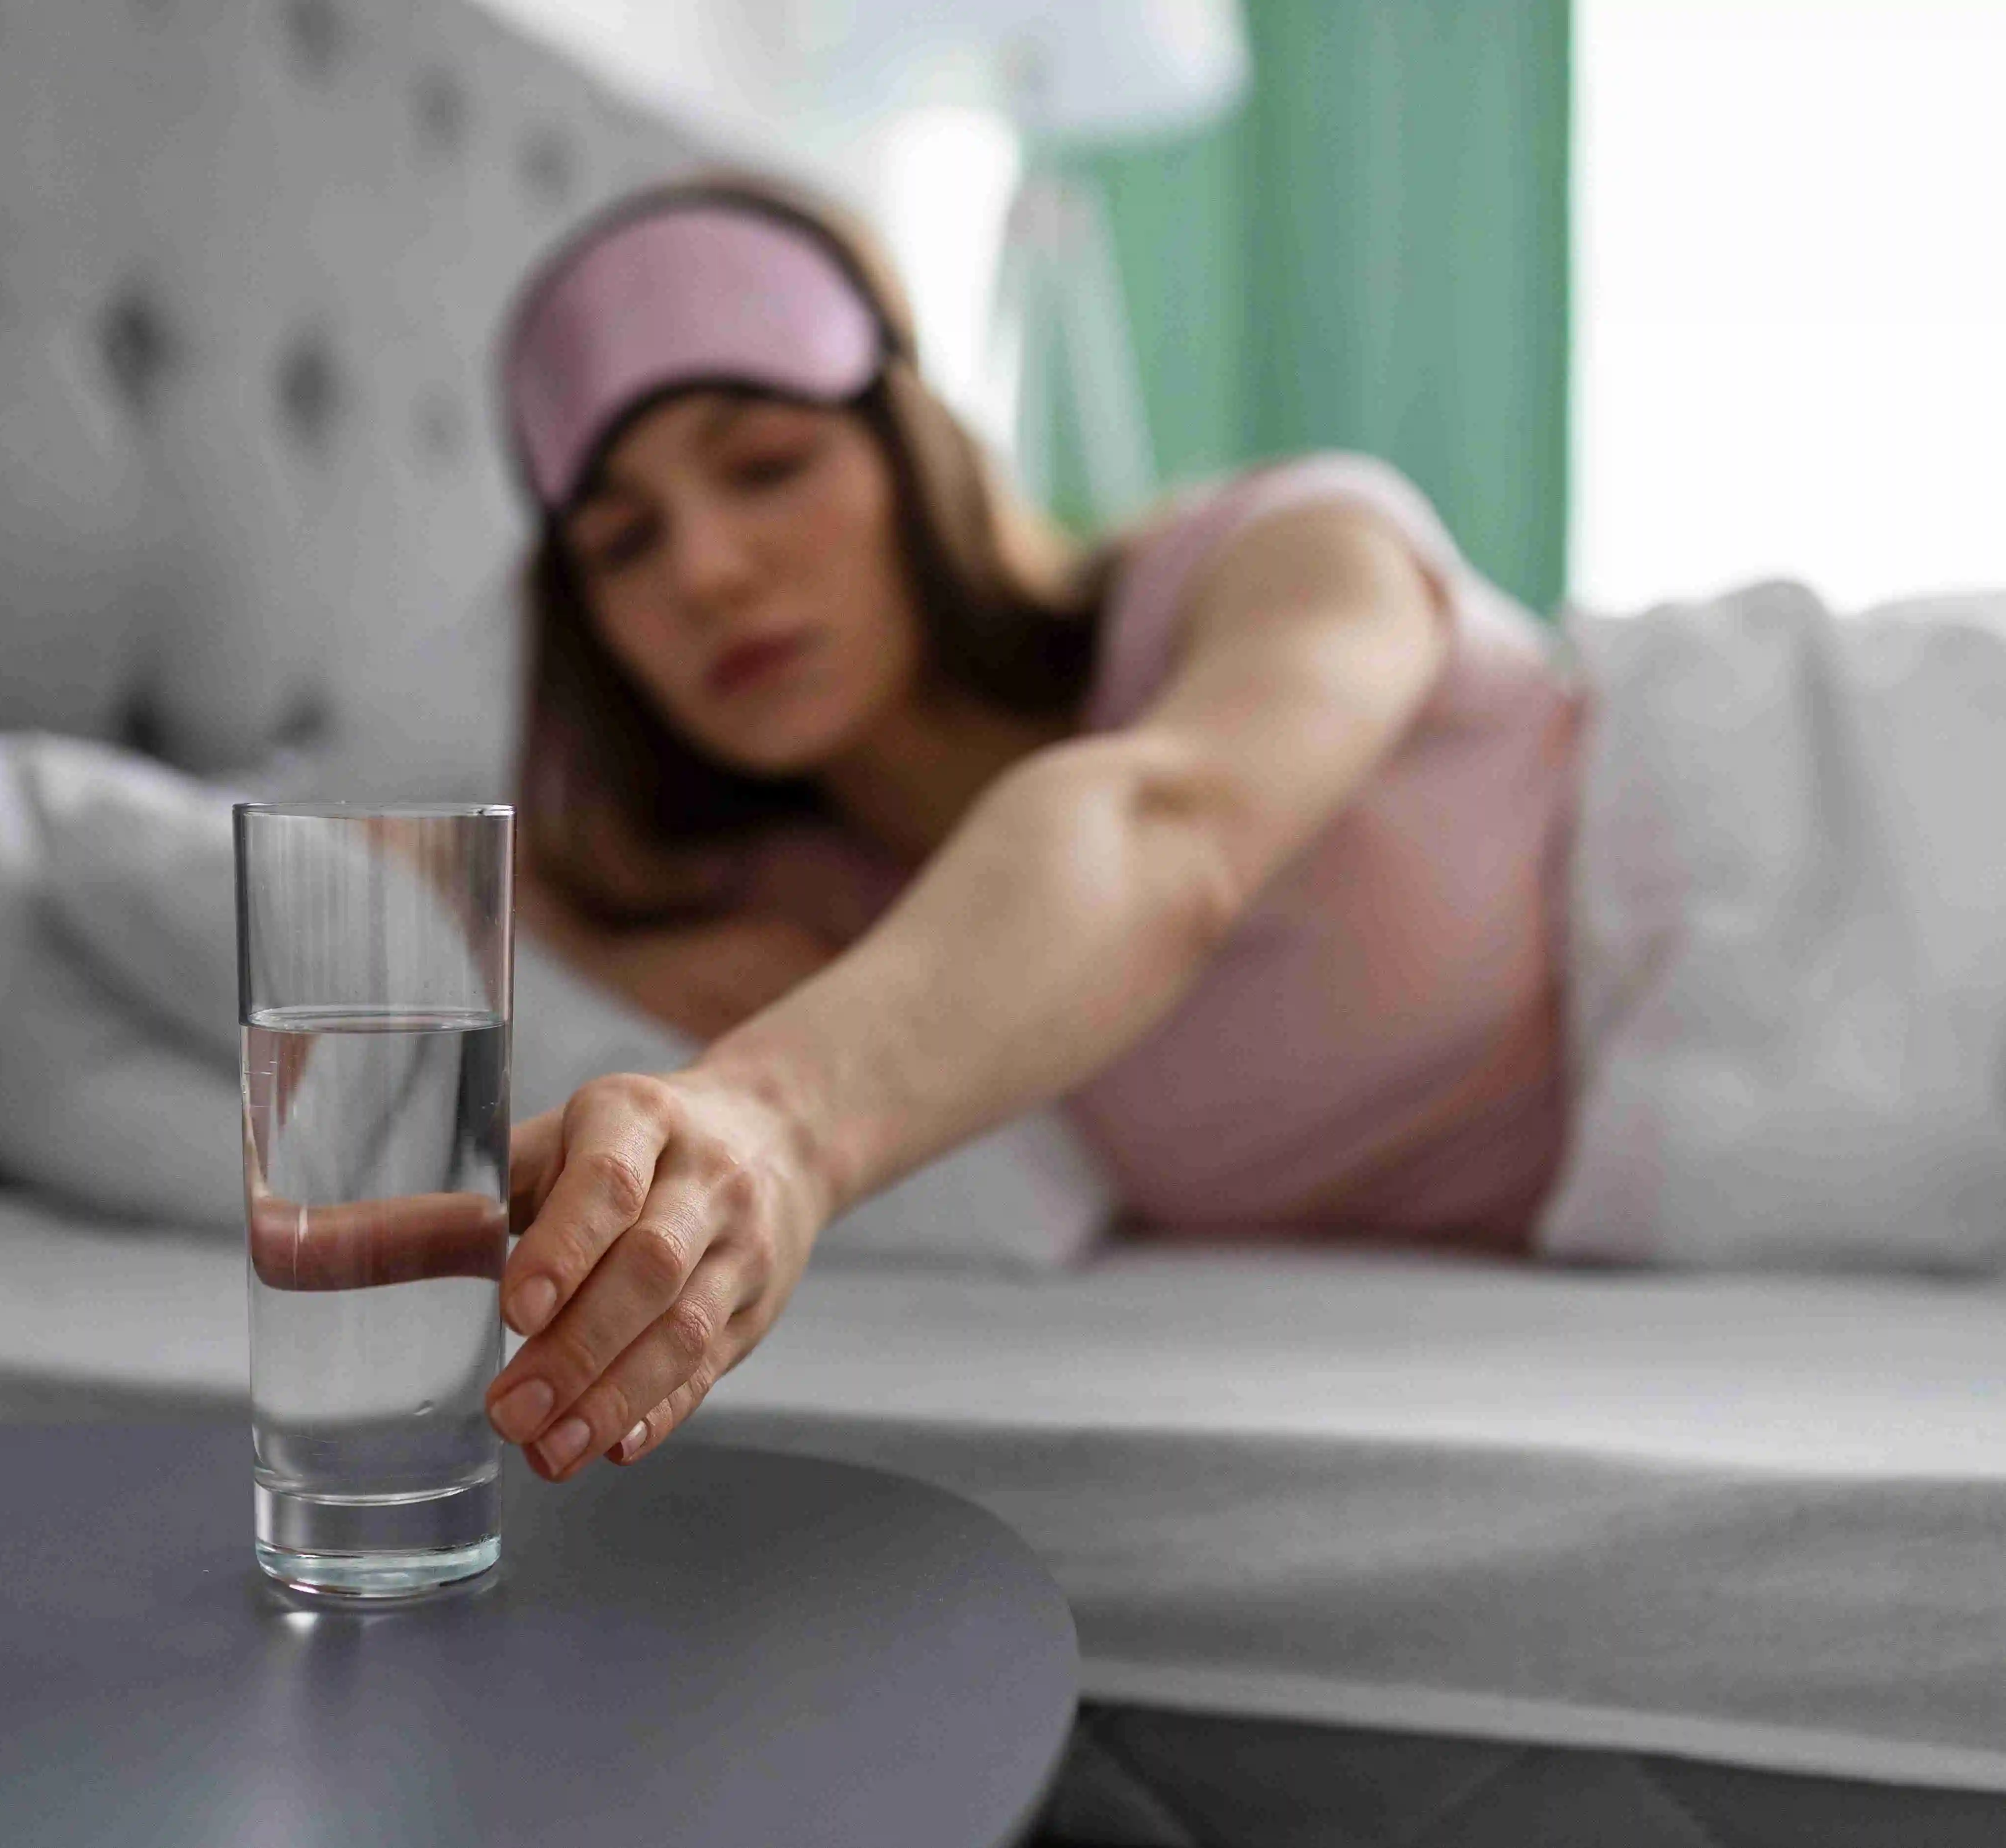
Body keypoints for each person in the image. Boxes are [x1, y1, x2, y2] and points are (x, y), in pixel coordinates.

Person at [474, 173, 1590, 1489]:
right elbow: (316, 868)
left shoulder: (1283, 550)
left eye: (767, 465)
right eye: (621, 544)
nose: (707, 571)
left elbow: (1163, 827)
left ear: (916, 451)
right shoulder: (817, 923)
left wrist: (774, 1122)